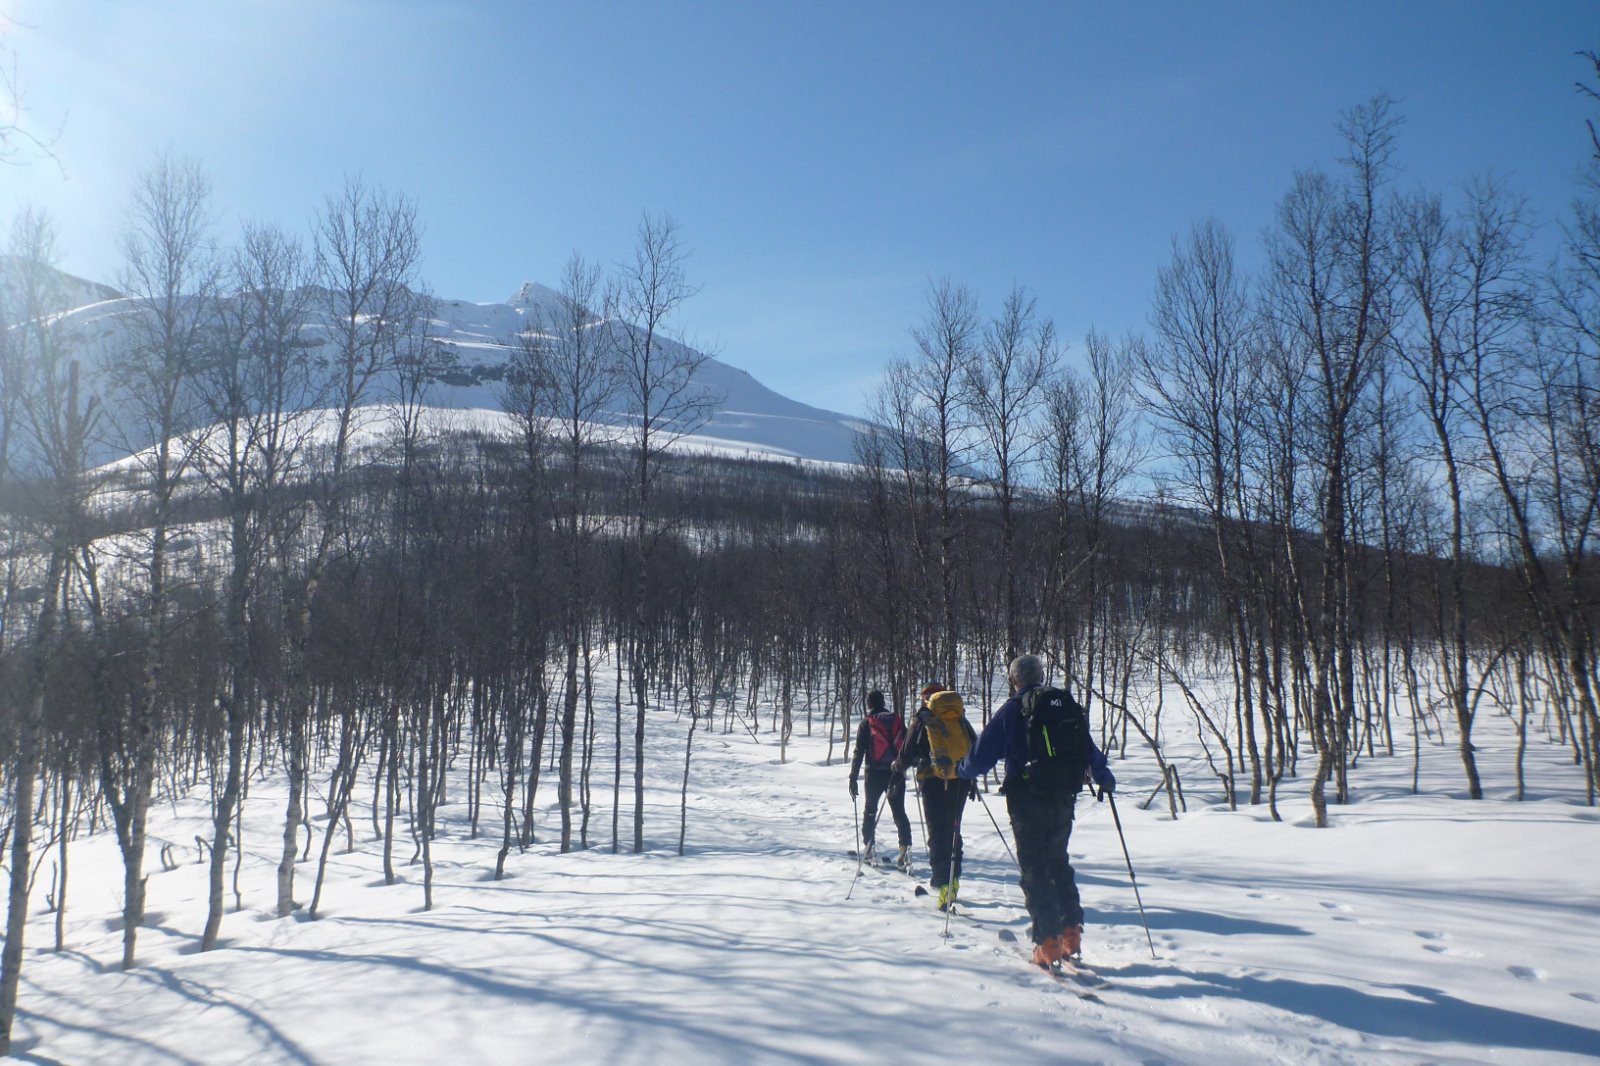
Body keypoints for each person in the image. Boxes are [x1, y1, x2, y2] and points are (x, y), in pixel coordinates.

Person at [958, 654, 1115, 969]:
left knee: (1034, 869)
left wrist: (963, 771)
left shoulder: (1013, 711)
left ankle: (1047, 943)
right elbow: (1087, 747)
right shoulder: (1063, 706)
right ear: (1041, 675)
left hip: (1027, 799)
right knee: (1058, 861)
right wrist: (1103, 776)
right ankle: (1072, 932)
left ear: (1015, 680)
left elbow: (981, 756)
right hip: (1064, 798)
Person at [893, 683, 977, 910]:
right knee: (953, 829)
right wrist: (973, 780)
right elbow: (973, 746)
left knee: (937, 832)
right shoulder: (959, 717)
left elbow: (906, 752)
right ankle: (954, 880)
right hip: (960, 779)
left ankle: (942, 883)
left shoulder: (922, 720)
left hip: (932, 782)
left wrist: (896, 769)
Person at [849, 690, 912, 869]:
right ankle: (905, 850)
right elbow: (907, 747)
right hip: (896, 773)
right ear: (883, 702)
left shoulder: (866, 724)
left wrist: (853, 777)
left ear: (868, 705)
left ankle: (869, 850)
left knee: (870, 811)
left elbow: (859, 752)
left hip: (873, 774)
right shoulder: (897, 722)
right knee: (899, 812)